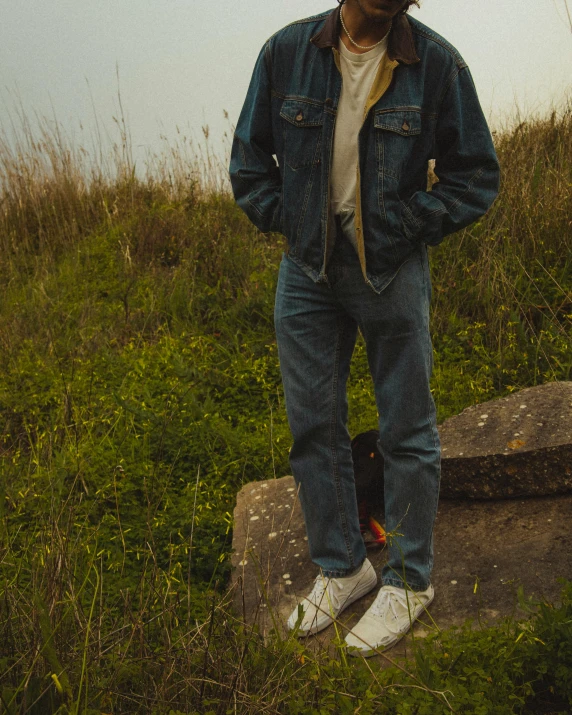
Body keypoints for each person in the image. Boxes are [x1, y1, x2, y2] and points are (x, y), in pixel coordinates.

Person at [230, 0, 499, 655]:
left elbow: (476, 177)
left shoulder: (435, 62)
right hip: (307, 270)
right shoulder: (285, 53)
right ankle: (344, 565)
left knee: (407, 426)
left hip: (391, 270)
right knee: (312, 423)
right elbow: (248, 165)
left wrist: (403, 227)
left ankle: (409, 581)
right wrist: (294, 224)